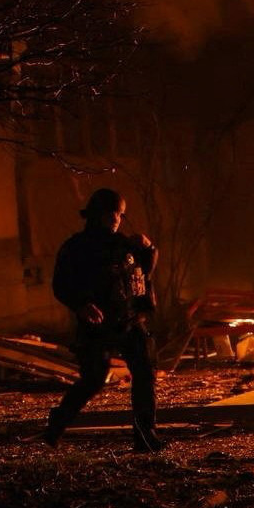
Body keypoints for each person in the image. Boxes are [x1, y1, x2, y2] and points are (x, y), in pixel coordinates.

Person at [46, 189, 162, 452]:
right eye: (111, 213)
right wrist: (80, 305)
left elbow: (145, 272)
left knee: (144, 372)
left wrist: (149, 249)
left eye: (120, 214)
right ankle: (58, 422)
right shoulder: (76, 247)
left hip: (129, 320)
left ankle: (145, 434)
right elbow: (60, 284)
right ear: (96, 214)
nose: (116, 219)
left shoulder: (124, 244)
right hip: (97, 324)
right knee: (94, 379)